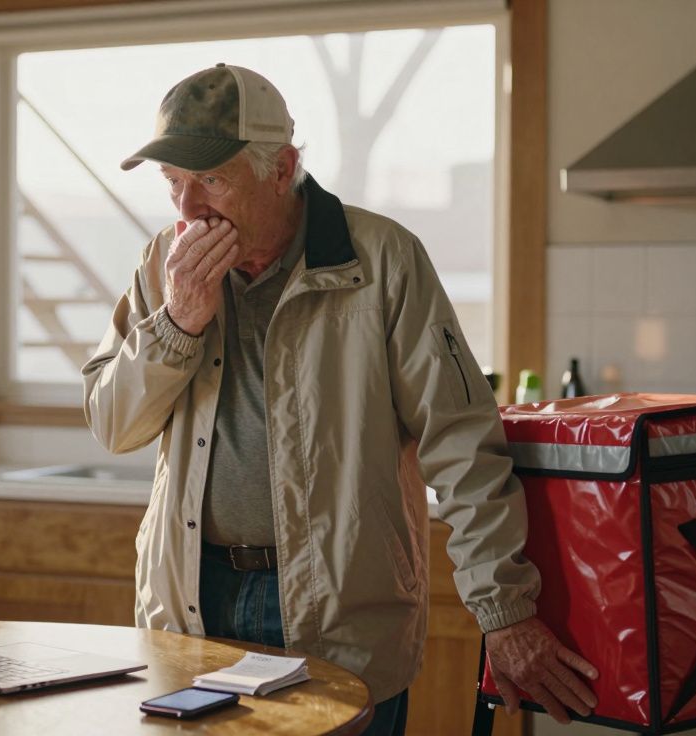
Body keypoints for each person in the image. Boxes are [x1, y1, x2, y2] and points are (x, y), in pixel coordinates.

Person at [82, 63, 597, 735]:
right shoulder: (163, 267)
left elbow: (463, 445)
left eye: (210, 179)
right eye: (174, 183)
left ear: (281, 167)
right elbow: (111, 424)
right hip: (192, 608)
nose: (188, 210)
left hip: (337, 618)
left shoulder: (383, 262)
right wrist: (178, 323)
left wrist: (505, 612)